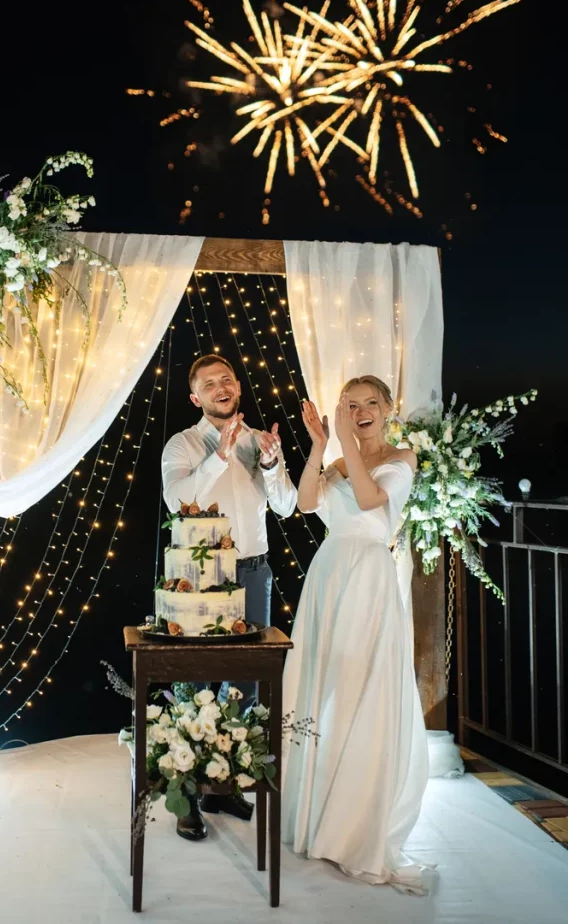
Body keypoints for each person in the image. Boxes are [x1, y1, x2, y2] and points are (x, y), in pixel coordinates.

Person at [282, 375, 430, 894]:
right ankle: (315, 809)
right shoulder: (339, 459)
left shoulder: (402, 459)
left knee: (360, 688)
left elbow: (371, 506)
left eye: (371, 403)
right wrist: (321, 447)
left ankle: (353, 824)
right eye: (351, 404)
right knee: (324, 687)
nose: (361, 411)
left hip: (368, 578)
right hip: (328, 576)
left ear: (389, 408)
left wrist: (345, 442)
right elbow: (304, 504)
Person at [162, 354, 297, 840]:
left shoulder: (261, 440)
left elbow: (287, 506)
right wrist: (218, 454)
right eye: (209, 383)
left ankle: (222, 783)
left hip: (255, 571)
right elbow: (178, 503)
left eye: (227, 379)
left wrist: (272, 462)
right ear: (196, 397)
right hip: (201, 573)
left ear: (237, 387)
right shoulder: (182, 444)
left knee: (244, 685)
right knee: (197, 683)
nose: (221, 387)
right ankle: (187, 796)